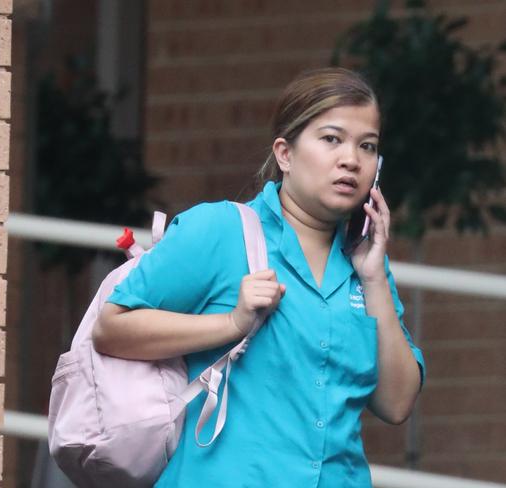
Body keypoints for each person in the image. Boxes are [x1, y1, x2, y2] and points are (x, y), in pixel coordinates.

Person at [93, 67, 426, 488]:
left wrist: (375, 277)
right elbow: (111, 328)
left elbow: (396, 404)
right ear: (285, 154)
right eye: (331, 139)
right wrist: (231, 324)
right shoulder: (221, 230)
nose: (350, 159)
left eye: (368, 146)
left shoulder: (366, 264)